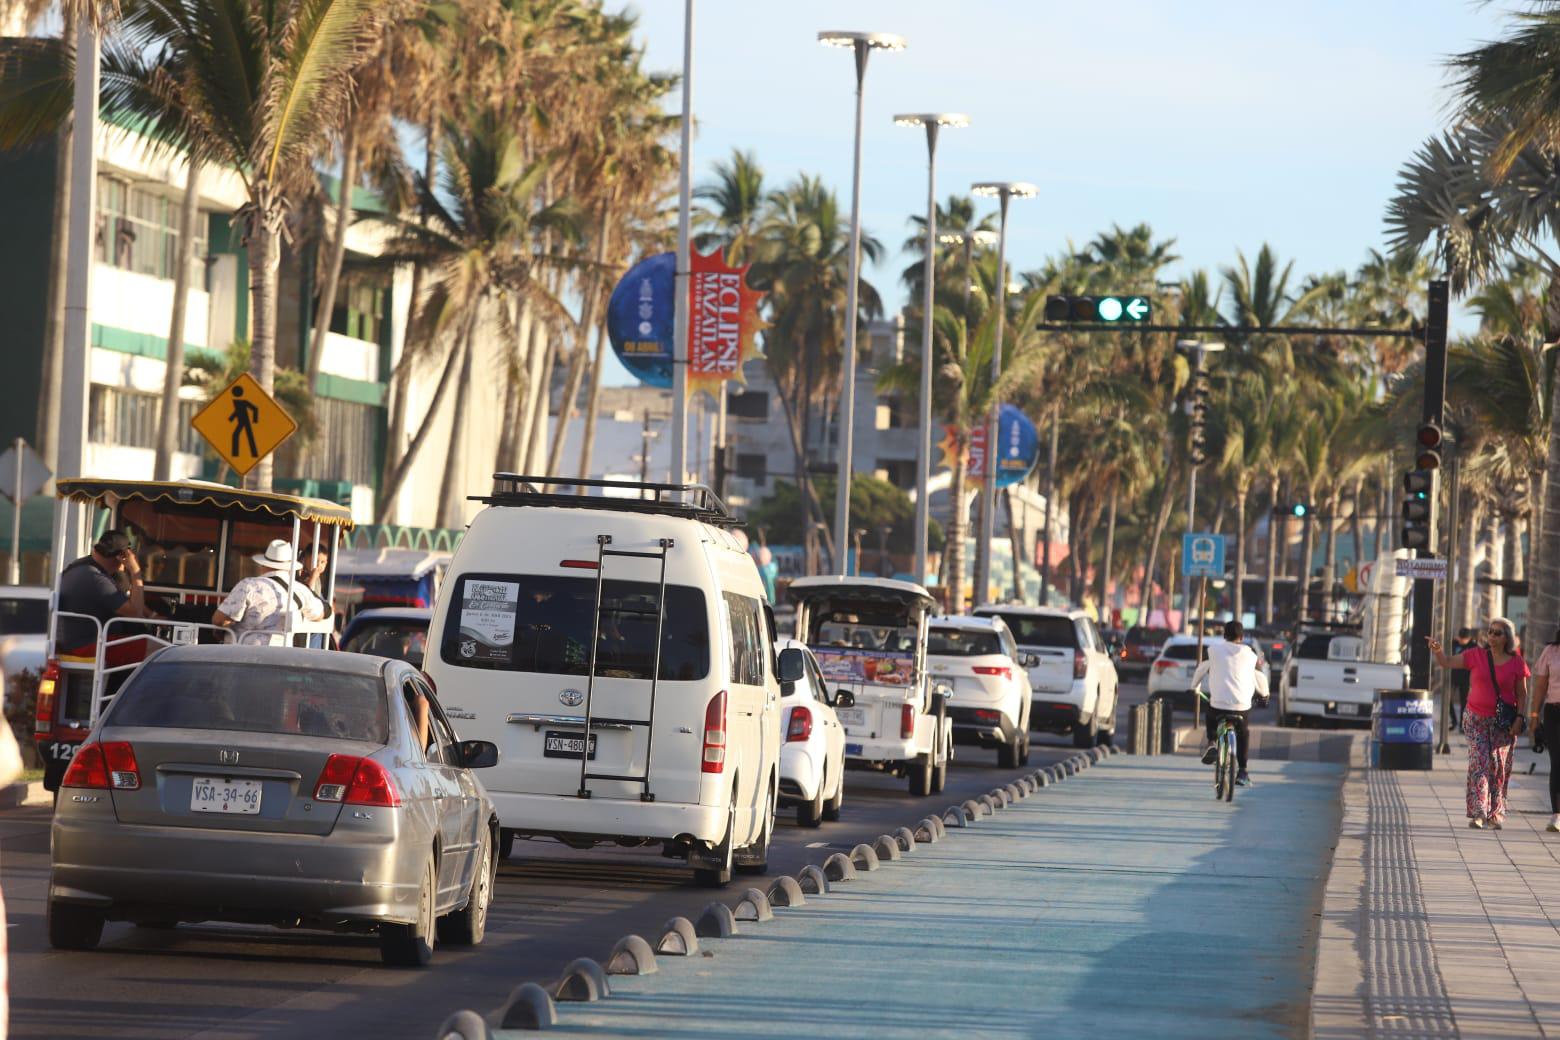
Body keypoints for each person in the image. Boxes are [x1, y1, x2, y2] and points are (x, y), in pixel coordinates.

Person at [1429, 617, 1530, 830]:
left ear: (1507, 638)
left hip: (1503, 723)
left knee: (1498, 768)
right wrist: (1437, 650)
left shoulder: (1516, 662)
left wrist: (1521, 718)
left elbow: (1522, 694)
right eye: (1490, 632)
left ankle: (1496, 813)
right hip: (1475, 720)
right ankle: (1479, 813)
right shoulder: (1476, 656)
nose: (1492, 636)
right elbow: (1447, 662)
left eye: (1497, 633)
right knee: (1479, 763)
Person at [55, 530, 160, 655]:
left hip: (75, 642)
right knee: (162, 649)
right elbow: (135, 612)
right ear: (122, 556)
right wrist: (134, 570)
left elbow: (124, 600)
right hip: (90, 644)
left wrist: (152, 615)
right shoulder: (96, 578)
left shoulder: (81, 567)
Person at [1193, 620, 1269, 788]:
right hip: (1241, 706)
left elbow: (1200, 670)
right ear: (1241, 637)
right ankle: (1242, 771)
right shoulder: (1251, 655)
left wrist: (1194, 688)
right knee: (1243, 734)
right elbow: (1260, 677)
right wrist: (1265, 694)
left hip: (1218, 704)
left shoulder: (1213, 651)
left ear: (1224, 636)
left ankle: (1212, 742)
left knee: (1211, 715)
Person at [212, 539, 329, 646]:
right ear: (290, 567)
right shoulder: (300, 590)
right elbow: (323, 613)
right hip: (280, 658)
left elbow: (218, 619)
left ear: (263, 565)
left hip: (241, 657)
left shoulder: (248, 586)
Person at [1529, 626, 1560, 832]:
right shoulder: (1551, 651)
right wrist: (1534, 716)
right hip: (1554, 712)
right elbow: (1540, 686)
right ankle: (1557, 814)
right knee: (1558, 761)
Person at [1449, 628, 1475, 727]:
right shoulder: (1454, 644)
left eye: (1464, 639)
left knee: (1464, 702)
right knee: (1448, 699)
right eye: (1461, 638)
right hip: (1453, 676)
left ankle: (1462, 724)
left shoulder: (1473, 646)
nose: (1462, 641)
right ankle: (1454, 720)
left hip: (1466, 678)